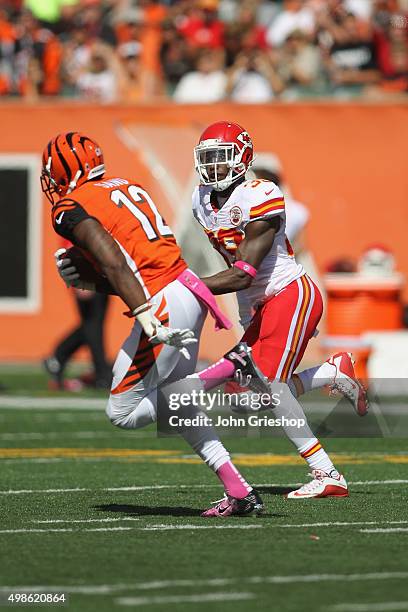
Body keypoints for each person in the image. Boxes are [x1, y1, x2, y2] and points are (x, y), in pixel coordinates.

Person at [42, 131, 264, 518]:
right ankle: (238, 489)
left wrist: (143, 312)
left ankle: (229, 368)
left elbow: (113, 257)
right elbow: (138, 265)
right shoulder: (126, 186)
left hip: (162, 303)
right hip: (186, 291)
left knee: (122, 412)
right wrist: (95, 282)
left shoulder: (69, 206)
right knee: (178, 406)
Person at [190, 120, 369, 501]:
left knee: (270, 387)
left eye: (221, 159)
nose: (214, 168)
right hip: (255, 305)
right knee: (249, 395)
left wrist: (186, 286)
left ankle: (326, 472)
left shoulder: (261, 193)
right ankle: (329, 372)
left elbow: (243, 273)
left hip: (287, 293)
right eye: (208, 160)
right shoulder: (200, 199)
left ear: (242, 159)